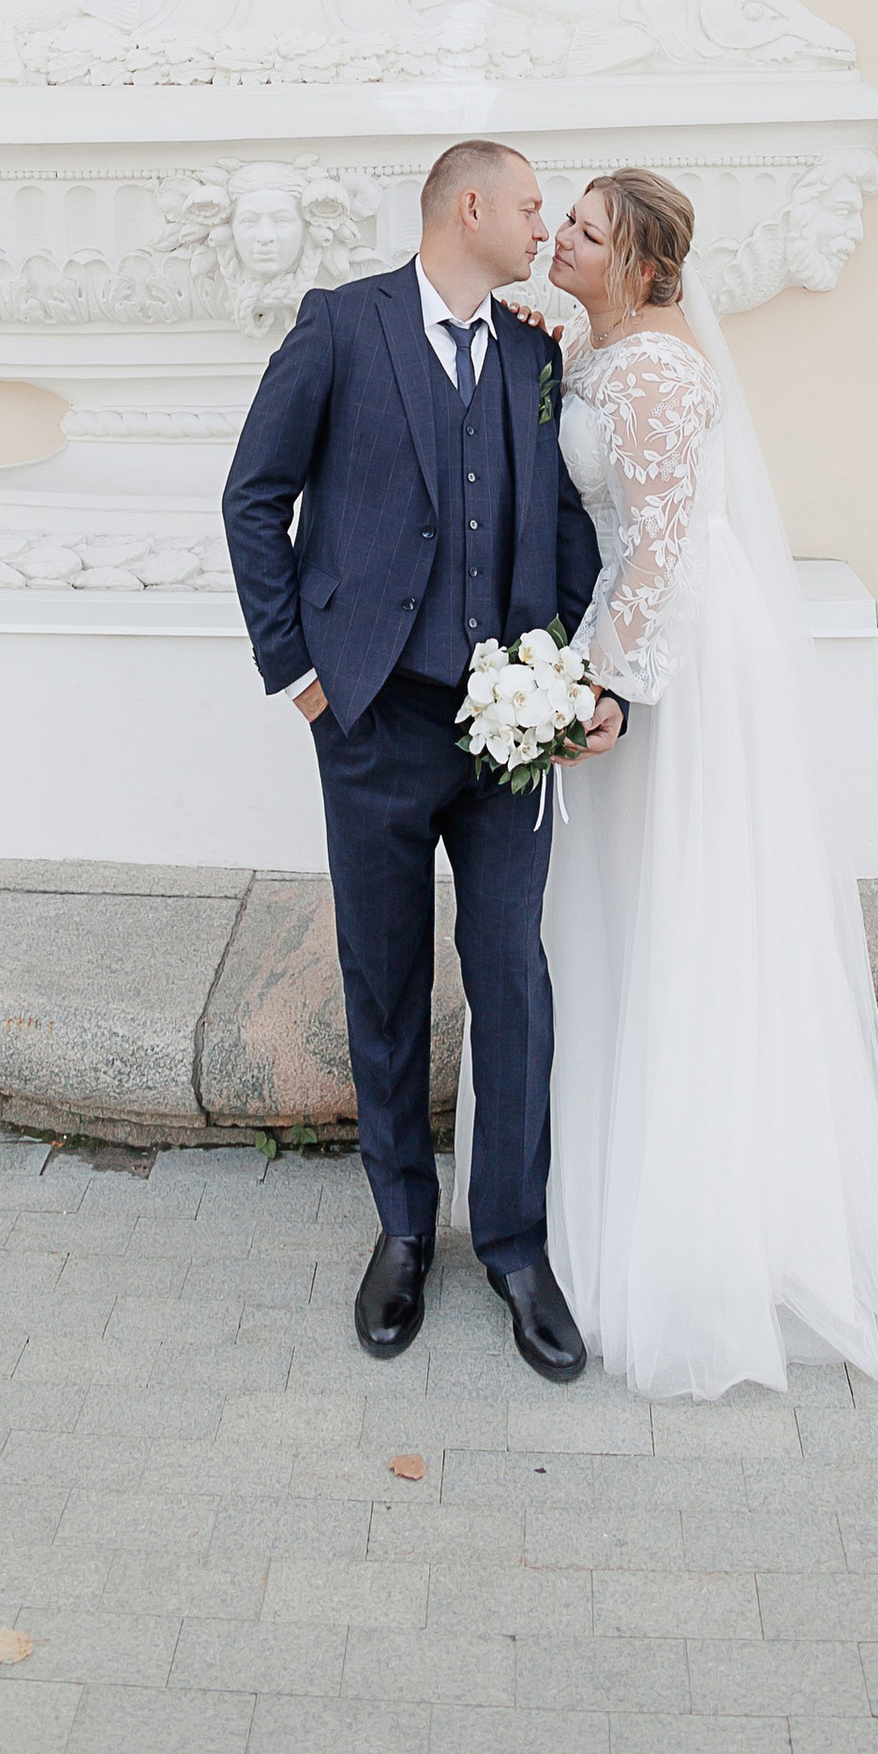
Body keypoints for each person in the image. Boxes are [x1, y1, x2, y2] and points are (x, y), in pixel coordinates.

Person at [526, 167, 878, 1397]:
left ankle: (704, 1211)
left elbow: (661, 537)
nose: (560, 237)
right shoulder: (605, 345)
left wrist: (606, 684)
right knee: (646, 906)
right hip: (646, 629)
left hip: (682, 655)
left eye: (585, 233)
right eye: (562, 220)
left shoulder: (652, 367)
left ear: (644, 269)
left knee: (689, 905)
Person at [221, 139, 613, 1378]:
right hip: (374, 722)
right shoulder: (341, 326)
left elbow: (560, 525)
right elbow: (253, 497)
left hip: (508, 732)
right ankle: (401, 1228)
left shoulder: (535, 353)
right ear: (471, 207)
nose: (544, 229)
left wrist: (562, 678)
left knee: (511, 980)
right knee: (381, 979)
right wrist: (301, 676)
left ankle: (511, 1243)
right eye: (534, 207)